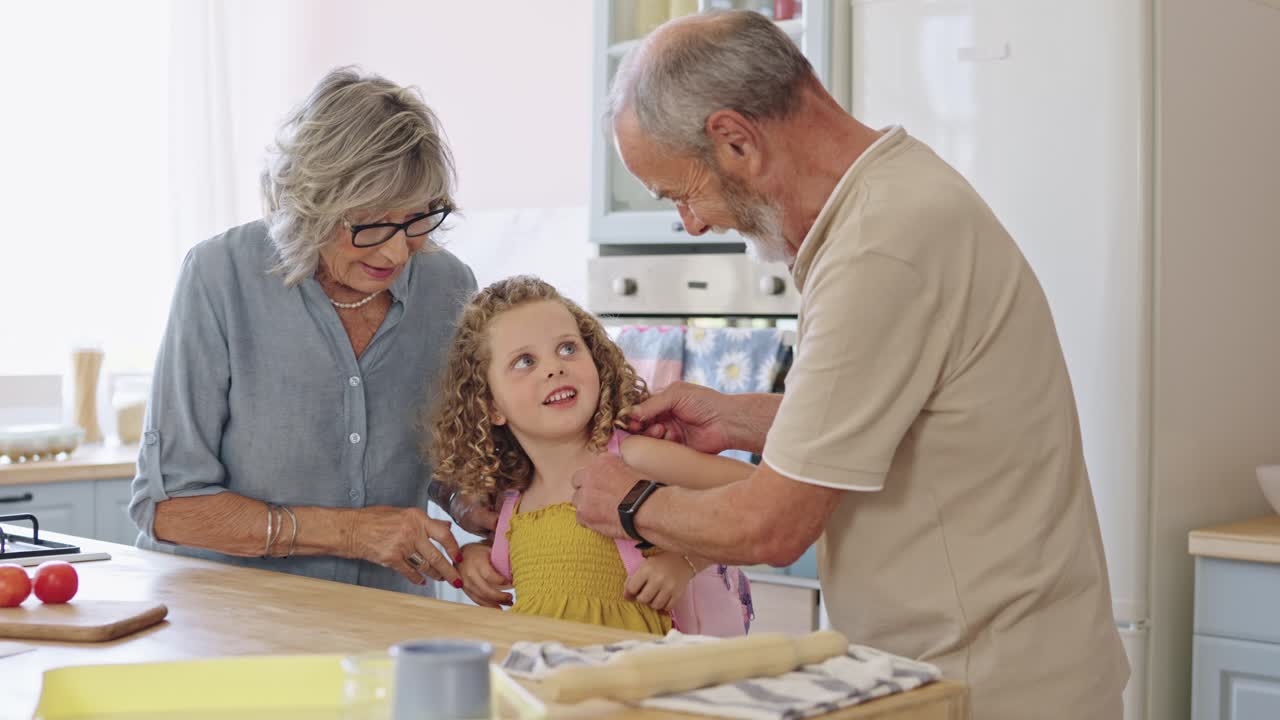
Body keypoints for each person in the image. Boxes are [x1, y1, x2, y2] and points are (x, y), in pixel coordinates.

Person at [569, 10, 1129, 718]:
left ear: (735, 140)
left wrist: (628, 503)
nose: (692, 223)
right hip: (976, 667)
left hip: (987, 684)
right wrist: (740, 418)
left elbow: (770, 527)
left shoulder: (879, 246)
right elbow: (909, 416)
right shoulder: (890, 199)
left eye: (681, 193)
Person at [128, 67, 485, 595]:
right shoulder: (220, 275)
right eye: (369, 223)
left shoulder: (448, 286)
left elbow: (430, 460)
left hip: (382, 619)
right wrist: (350, 533)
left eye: (415, 220)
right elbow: (169, 507)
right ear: (309, 207)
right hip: (226, 618)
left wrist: (469, 503)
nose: (395, 251)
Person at [427, 276, 753, 633]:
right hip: (550, 680)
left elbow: (762, 496)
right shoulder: (512, 499)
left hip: (636, 678)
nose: (554, 367)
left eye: (567, 348)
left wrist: (685, 562)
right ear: (489, 406)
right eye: (524, 361)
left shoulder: (634, 458)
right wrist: (479, 558)